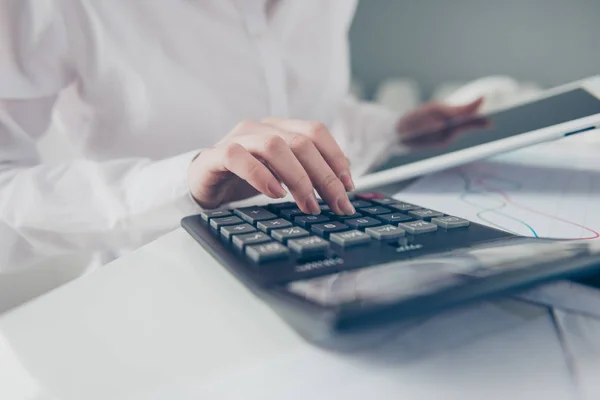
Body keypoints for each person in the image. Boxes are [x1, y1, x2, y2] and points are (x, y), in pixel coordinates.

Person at [0, 0, 483, 273]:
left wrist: (391, 131)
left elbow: (308, 112)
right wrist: (183, 183)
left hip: (335, 267)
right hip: (156, 293)